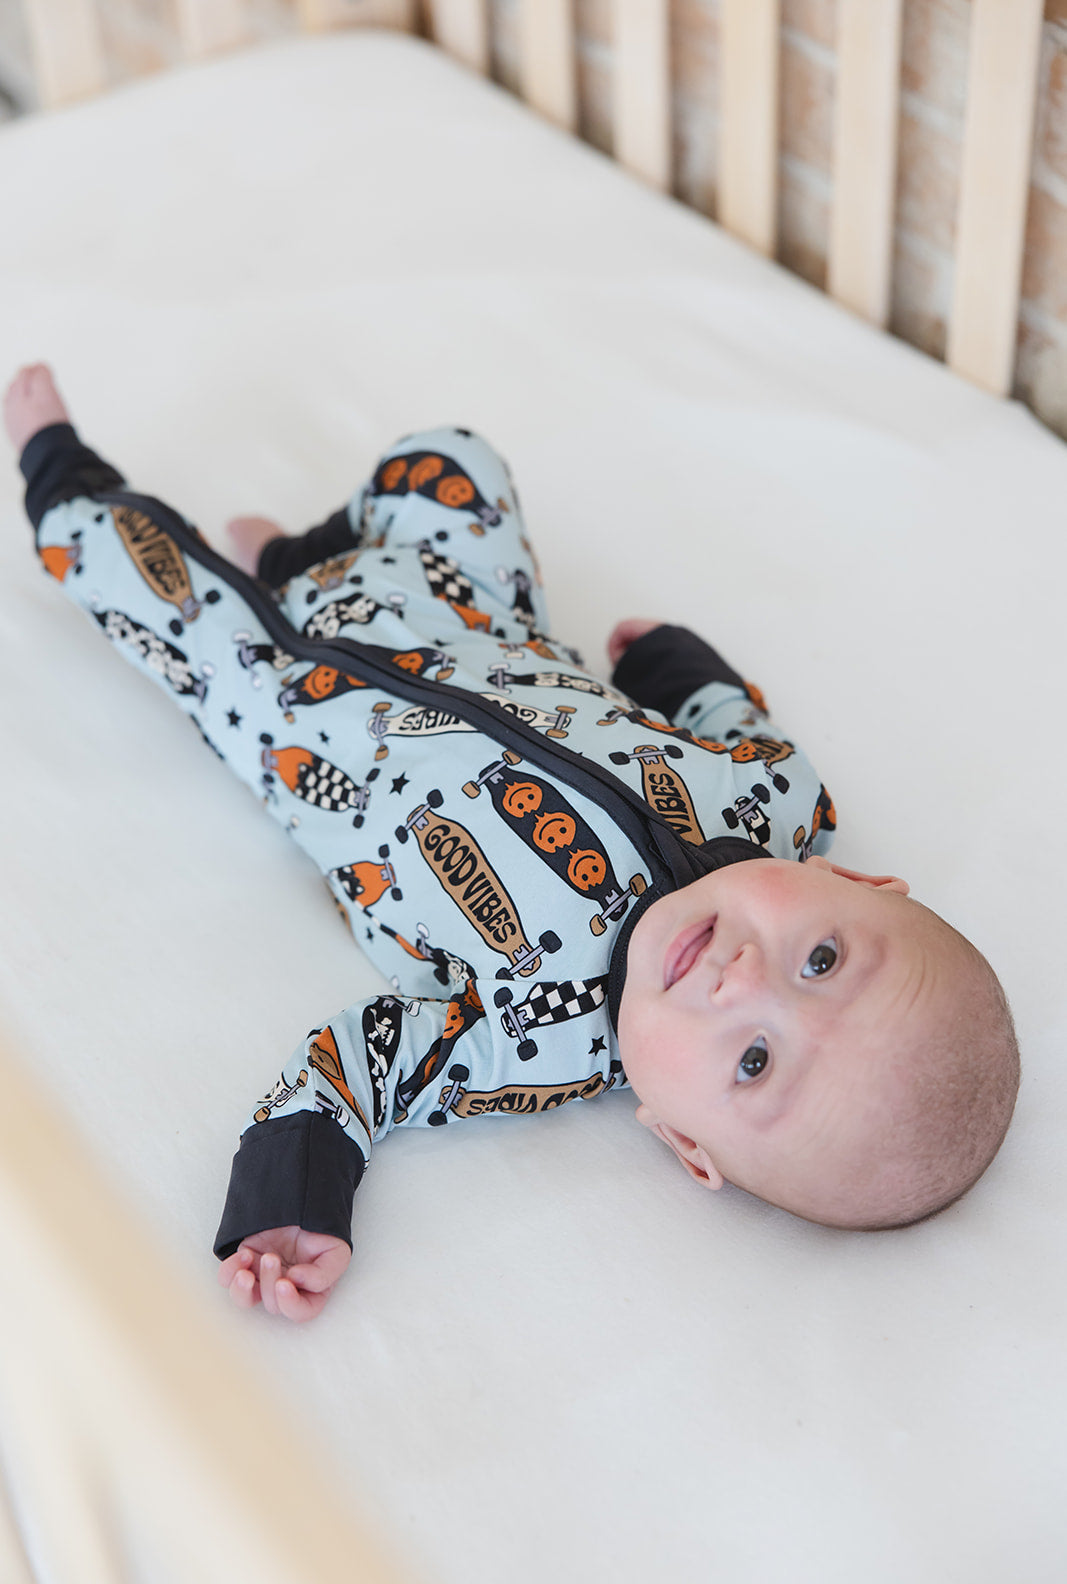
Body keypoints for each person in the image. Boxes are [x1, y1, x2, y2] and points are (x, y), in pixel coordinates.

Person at [5, 363, 1020, 1324]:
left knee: (145, 585)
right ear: (847, 879)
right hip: (464, 617)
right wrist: (667, 666)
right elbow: (736, 725)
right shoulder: (778, 806)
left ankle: (61, 472)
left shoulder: (531, 1043)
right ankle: (295, 558)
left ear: (681, 1140)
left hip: (284, 707)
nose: (741, 979)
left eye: (753, 1062)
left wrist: (297, 1191)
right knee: (452, 463)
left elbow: (366, 1061)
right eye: (821, 960)